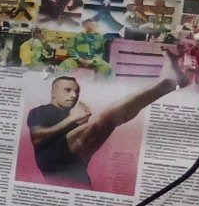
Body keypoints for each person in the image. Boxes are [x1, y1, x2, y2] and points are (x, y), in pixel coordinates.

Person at [19, 66, 176, 185]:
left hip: (77, 174)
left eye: (76, 91)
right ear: (53, 93)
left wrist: (80, 121)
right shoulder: (40, 111)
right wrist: (72, 120)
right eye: (67, 90)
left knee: (108, 121)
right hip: (52, 162)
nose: (73, 95)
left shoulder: (73, 113)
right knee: (106, 119)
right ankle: (168, 82)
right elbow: (38, 137)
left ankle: (168, 82)